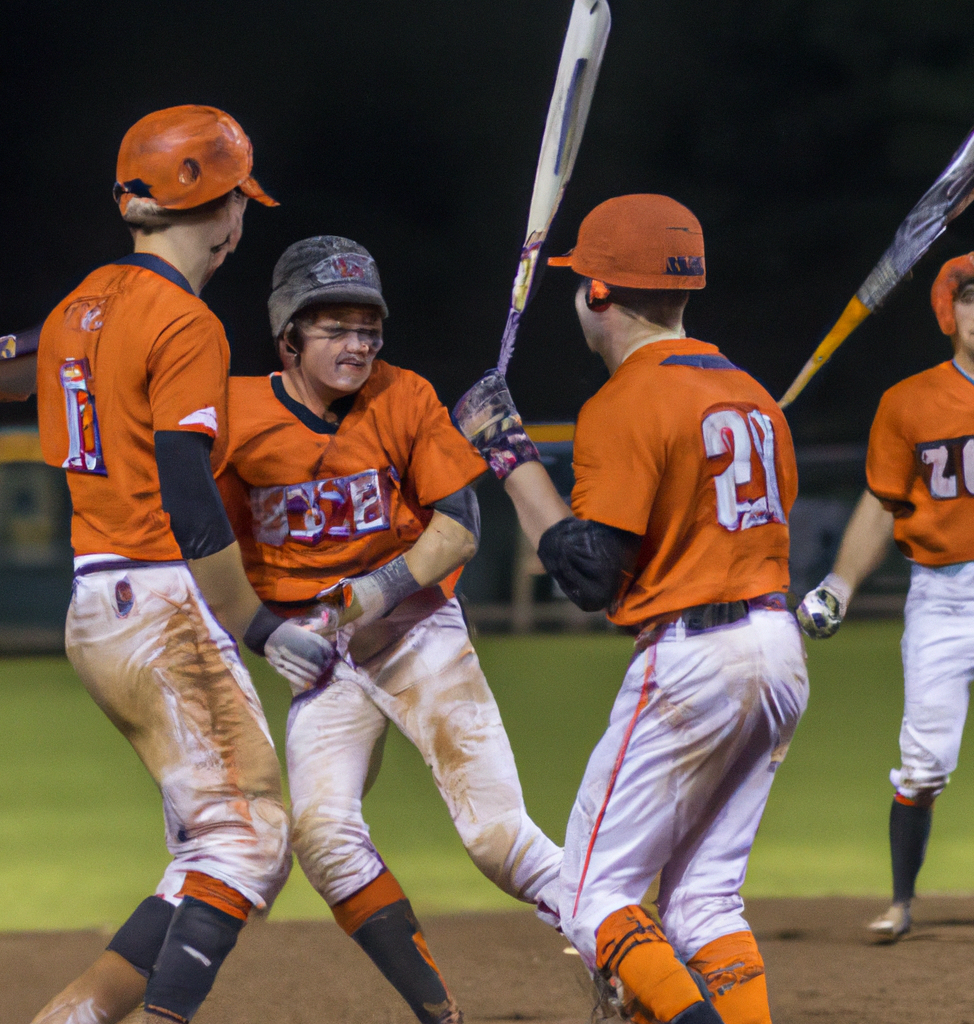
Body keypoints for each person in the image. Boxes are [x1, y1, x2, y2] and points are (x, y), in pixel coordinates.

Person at [455, 194, 808, 1024]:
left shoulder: (626, 400)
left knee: (592, 893)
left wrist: (509, 458)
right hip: (777, 647)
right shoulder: (753, 394)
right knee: (707, 904)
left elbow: (589, 576)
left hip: (694, 658)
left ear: (601, 295)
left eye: (583, 281)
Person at [30, 106, 336, 1024]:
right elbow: (188, 490)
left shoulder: (75, 308)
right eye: (242, 197)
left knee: (210, 854)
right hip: (160, 598)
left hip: (95, 604)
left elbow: (27, 358)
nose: (244, 218)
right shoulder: (186, 322)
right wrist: (259, 624)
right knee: (250, 843)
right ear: (222, 206)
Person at [216, 235, 563, 1024]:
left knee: (497, 840)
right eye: (334, 327)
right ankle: (440, 1014)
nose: (357, 343)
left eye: (368, 326)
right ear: (288, 337)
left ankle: (623, 946)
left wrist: (369, 593)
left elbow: (460, 525)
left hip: (417, 633)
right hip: (323, 660)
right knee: (323, 836)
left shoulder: (403, 395)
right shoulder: (234, 415)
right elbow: (203, 543)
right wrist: (265, 629)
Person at [797, 251, 974, 942]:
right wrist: (839, 583)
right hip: (943, 601)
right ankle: (901, 903)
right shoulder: (908, 402)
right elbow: (881, 502)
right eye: (969, 298)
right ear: (946, 313)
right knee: (923, 767)